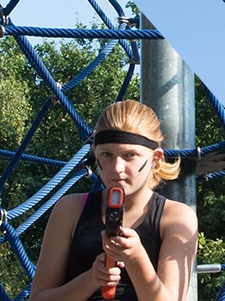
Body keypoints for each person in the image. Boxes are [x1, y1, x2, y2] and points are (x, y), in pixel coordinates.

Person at [32, 100, 199, 301]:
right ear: (95, 155)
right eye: (107, 155)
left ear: (155, 159)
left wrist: (136, 259)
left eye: (130, 155)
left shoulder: (176, 217)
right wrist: (90, 280)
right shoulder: (71, 209)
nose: (117, 167)